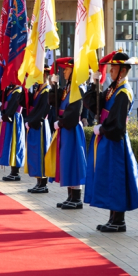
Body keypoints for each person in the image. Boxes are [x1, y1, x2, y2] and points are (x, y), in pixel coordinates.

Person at [83, 51, 138, 233]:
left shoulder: (124, 92)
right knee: (110, 179)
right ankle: (113, 218)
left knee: (116, 180)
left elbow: (117, 123)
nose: (110, 71)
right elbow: (95, 104)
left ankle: (119, 220)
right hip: (108, 138)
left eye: (114, 68)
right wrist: (94, 84)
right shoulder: (113, 88)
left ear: (122, 70)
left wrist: (102, 129)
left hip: (115, 140)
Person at [48, 58, 87, 210]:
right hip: (65, 128)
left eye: (66, 69)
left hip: (71, 128)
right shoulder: (68, 87)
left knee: (73, 162)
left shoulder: (77, 88)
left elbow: (73, 111)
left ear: (73, 70)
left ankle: (76, 198)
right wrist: (54, 86)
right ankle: (70, 195)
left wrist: (62, 122)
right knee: (66, 161)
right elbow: (54, 102)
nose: (63, 71)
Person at [25, 67, 52, 193]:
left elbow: (42, 110)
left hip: (40, 124)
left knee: (41, 153)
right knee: (35, 154)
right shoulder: (38, 89)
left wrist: (31, 121)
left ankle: (43, 183)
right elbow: (28, 103)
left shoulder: (46, 90)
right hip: (34, 123)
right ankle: (38, 181)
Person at [0, 82, 26, 181]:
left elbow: (13, 105)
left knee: (15, 144)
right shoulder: (11, 89)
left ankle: (15, 171)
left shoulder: (18, 90)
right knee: (9, 143)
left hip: (15, 119)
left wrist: (6, 114)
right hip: (9, 118)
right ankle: (13, 170)